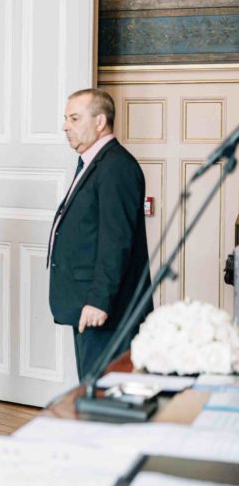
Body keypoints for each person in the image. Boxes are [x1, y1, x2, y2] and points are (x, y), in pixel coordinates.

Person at [48, 88, 152, 380]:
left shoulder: (116, 167)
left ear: (100, 122)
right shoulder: (94, 161)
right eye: (66, 118)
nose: (65, 125)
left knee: (106, 392)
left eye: (74, 118)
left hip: (107, 309)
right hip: (89, 303)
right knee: (93, 386)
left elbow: (116, 241)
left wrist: (98, 300)